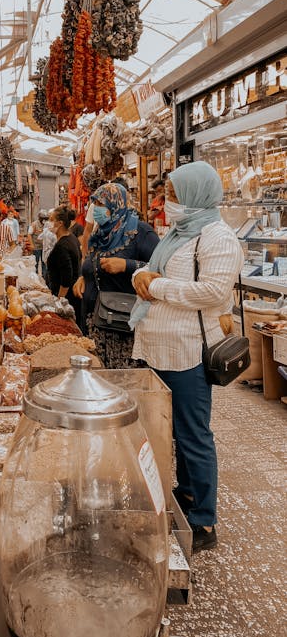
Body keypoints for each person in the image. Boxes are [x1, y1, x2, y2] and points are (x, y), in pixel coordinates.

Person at [130, 161, 243, 553]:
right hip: (158, 346)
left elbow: (213, 292)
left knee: (194, 433)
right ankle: (187, 492)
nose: (168, 203)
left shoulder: (218, 238)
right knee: (171, 429)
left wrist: (156, 286)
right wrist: (140, 277)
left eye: (175, 196)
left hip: (188, 350)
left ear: (197, 195)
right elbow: (150, 269)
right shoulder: (177, 233)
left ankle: (204, 521)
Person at [73, 183, 159, 365]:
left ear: (116, 204)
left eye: (101, 204)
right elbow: (92, 262)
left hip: (121, 327)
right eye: (95, 203)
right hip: (93, 322)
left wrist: (127, 265)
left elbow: (160, 269)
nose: (96, 209)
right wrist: (85, 277)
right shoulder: (100, 233)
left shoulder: (141, 232)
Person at [46, 206, 82, 324]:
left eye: (51, 220)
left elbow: (67, 277)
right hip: (73, 295)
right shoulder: (71, 237)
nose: (48, 223)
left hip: (67, 299)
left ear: (60, 223)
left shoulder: (62, 246)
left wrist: (60, 302)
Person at [28, 210, 47, 275]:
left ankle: (44, 277)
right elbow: (29, 234)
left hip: (44, 247)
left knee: (44, 263)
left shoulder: (46, 224)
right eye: (43, 218)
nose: (44, 220)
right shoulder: (34, 224)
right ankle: (35, 276)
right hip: (36, 247)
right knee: (35, 263)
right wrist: (31, 244)